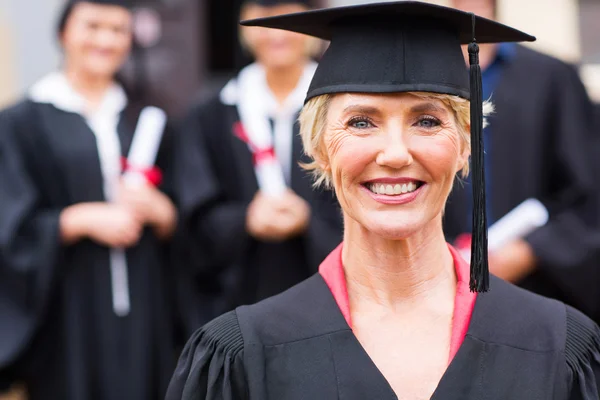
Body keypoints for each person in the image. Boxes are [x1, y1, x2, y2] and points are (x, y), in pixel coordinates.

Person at [167, 2, 600, 399]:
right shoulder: (241, 355)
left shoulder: (558, 346)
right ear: (318, 146)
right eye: (360, 122)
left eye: (427, 120)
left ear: (466, 145)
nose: (395, 153)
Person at [0, 1, 178, 399]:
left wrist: (163, 212)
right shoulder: (21, 122)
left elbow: (185, 210)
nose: (105, 40)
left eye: (117, 30)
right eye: (93, 26)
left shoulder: (148, 115)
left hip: (146, 300)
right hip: (67, 307)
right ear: (64, 34)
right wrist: (76, 220)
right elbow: (8, 223)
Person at [174, 0, 343, 329]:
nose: (277, 29)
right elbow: (193, 213)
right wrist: (244, 220)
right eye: (264, 14)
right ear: (243, 23)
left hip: (331, 300)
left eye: (289, 13)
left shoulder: (342, 109)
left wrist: (311, 222)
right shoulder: (210, 114)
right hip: (239, 302)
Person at [445, 0, 600, 322]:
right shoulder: (421, 80)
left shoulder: (551, 76)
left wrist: (532, 250)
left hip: (540, 282)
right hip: (444, 283)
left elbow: (588, 186)